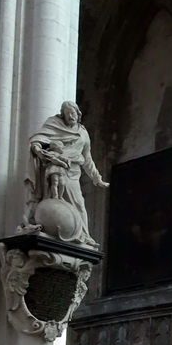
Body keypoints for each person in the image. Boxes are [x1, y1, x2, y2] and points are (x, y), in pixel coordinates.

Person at [22, 101, 109, 247]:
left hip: (73, 171)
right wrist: (37, 148)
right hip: (54, 168)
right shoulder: (54, 124)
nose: (71, 116)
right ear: (63, 115)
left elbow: (87, 159)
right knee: (54, 199)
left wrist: (96, 177)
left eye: (73, 112)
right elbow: (38, 139)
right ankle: (49, 228)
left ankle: (84, 236)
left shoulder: (83, 133)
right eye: (68, 113)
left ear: (78, 114)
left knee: (79, 204)